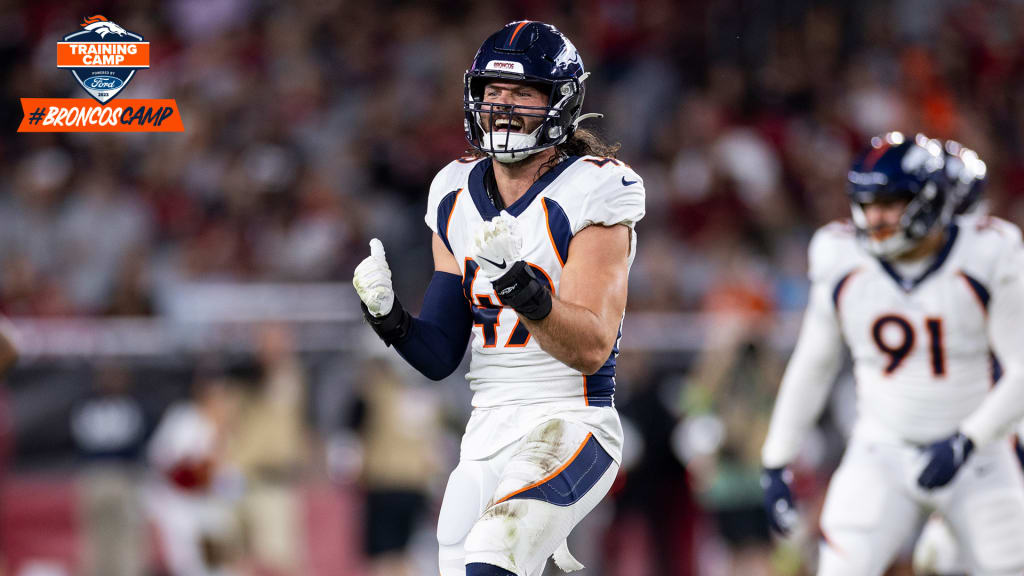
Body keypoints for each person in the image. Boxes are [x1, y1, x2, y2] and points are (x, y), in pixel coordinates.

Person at [352, 20, 645, 576]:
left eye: (523, 93)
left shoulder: (596, 189)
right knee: (463, 559)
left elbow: (590, 348)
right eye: (493, 92)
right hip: (485, 429)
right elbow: (440, 354)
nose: (504, 106)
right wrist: (389, 318)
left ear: (558, 103)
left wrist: (519, 289)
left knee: (492, 558)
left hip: (571, 421)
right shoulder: (454, 189)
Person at [760, 131, 1024, 575]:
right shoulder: (839, 254)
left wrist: (967, 440)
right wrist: (776, 458)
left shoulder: (988, 252)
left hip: (978, 453)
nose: (873, 217)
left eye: (888, 203)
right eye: (865, 204)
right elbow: (814, 363)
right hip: (881, 447)